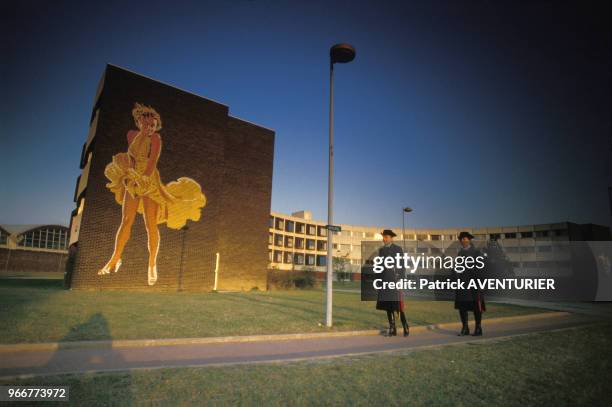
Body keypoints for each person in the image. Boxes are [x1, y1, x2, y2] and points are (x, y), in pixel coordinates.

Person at [98, 103, 206, 285]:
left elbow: (152, 162)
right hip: (132, 180)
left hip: (149, 182)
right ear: (139, 122)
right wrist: (131, 175)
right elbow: (130, 158)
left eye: (153, 126)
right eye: (147, 124)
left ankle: (152, 264)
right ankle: (115, 259)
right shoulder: (132, 135)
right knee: (126, 221)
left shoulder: (156, 139)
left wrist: (143, 179)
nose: (150, 128)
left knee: (150, 224)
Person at [375, 229, 409, 337]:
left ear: (391, 238)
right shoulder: (381, 251)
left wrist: (401, 280)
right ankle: (392, 328)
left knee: (398, 306)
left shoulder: (398, 249)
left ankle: (405, 326)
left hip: (395, 281)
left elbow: (402, 266)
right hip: (385, 281)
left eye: (386, 237)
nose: (384, 239)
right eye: (383, 237)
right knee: (388, 307)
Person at [454, 231, 486, 336]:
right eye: (461, 239)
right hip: (462, 284)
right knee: (462, 307)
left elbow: (481, 268)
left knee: (476, 307)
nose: (463, 240)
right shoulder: (460, 253)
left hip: (474, 284)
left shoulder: (476, 252)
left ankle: (478, 328)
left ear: (469, 239)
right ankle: (465, 328)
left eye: (465, 238)